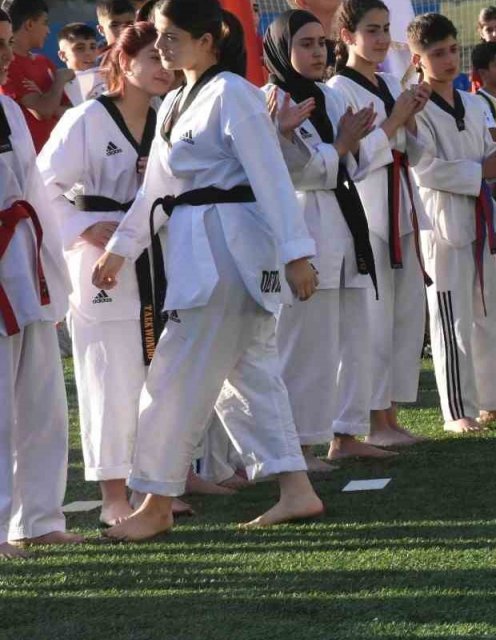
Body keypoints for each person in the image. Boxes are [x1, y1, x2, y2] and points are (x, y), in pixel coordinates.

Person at [91, 0, 326, 541]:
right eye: (160, 37)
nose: (164, 46)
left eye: (173, 36)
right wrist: (123, 247)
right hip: (199, 247)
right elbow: (157, 191)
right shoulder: (174, 101)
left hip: (229, 253)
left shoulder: (234, 94)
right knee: (247, 380)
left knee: (172, 377)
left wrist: (296, 252)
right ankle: (297, 489)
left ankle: (155, 501)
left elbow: (270, 175)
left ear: (209, 39)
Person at [36, 20, 172, 526]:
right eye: (153, 59)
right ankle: (113, 493)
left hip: (155, 253)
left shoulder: (167, 116)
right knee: (106, 376)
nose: (163, 68)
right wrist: (82, 224)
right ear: (124, 61)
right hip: (98, 261)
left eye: (167, 58)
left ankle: (152, 485)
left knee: (154, 370)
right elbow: (43, 186)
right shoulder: (88, 119)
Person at [262, 9, 402, 468]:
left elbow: (360, 164)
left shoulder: (330, 97)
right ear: (283, 49)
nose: (318, 51)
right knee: (308, 344)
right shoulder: (271, 101)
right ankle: (296, 446)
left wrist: (353, 145)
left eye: (321, 43)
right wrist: (339, 148)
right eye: (305, 43)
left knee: (352, 335)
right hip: (305, 225)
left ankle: (344, 433)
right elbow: (290, 171)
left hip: (346, 220)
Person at [407, 13, 496, 432]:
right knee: (450, 317)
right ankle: (457, 410)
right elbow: (424, 168)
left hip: (478, 214)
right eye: (436, 53)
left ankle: (491, 399)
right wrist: (482, 167)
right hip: (441, 221)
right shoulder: (415, 107)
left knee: (487, 312)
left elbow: (485, 158)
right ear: (417, 58)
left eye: (452, 51)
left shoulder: (474, 103)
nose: (446, 60)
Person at [328, 0, 433, 448]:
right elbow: (349, 160)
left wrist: (415, 114)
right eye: (371, 30)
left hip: (403, 206)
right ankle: (369, 419)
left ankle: (388, 414)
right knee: (372, 319)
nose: (380, 38)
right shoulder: (337, 90)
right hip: (367, 214)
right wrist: (394, 121)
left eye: (386, 29)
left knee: (404, 316)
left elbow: (419, 152)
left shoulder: (392, 82)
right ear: (347, 36)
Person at [0, 7, 79, 559]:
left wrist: (55, 274)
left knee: (43, 402)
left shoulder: (5, 105)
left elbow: (34, 191)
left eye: (7, 43)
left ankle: (39, 516)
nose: (8, 56)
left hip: (26, 266)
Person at [2, 0, 69, 151]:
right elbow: (43, 111)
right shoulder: (7, 66)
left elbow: (70, 111)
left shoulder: (44, 62)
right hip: (29, 163)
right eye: (45, 23)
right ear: (30, 24)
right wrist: (59, 82)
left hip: (59, 155)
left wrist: (46, 99)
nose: (48, 30)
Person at [57, 23, 105, 107]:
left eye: (92, 47)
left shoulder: (110, 74)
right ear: (63, 55)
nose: (88, 53)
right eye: (80, 48)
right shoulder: (59, 86)